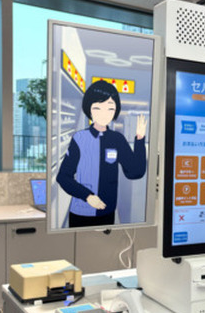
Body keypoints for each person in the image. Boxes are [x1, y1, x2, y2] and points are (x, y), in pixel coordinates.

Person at [57, 80, 147, 227]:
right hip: (81, 211)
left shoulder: (117, 139)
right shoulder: (80, 139)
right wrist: (87, 196)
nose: (104, 114)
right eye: (97, 108)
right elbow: (63, 177)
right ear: (89, 109)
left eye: (110, 108)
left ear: (115, 110)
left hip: (107, 211)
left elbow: (135, 172)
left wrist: (140, 139)